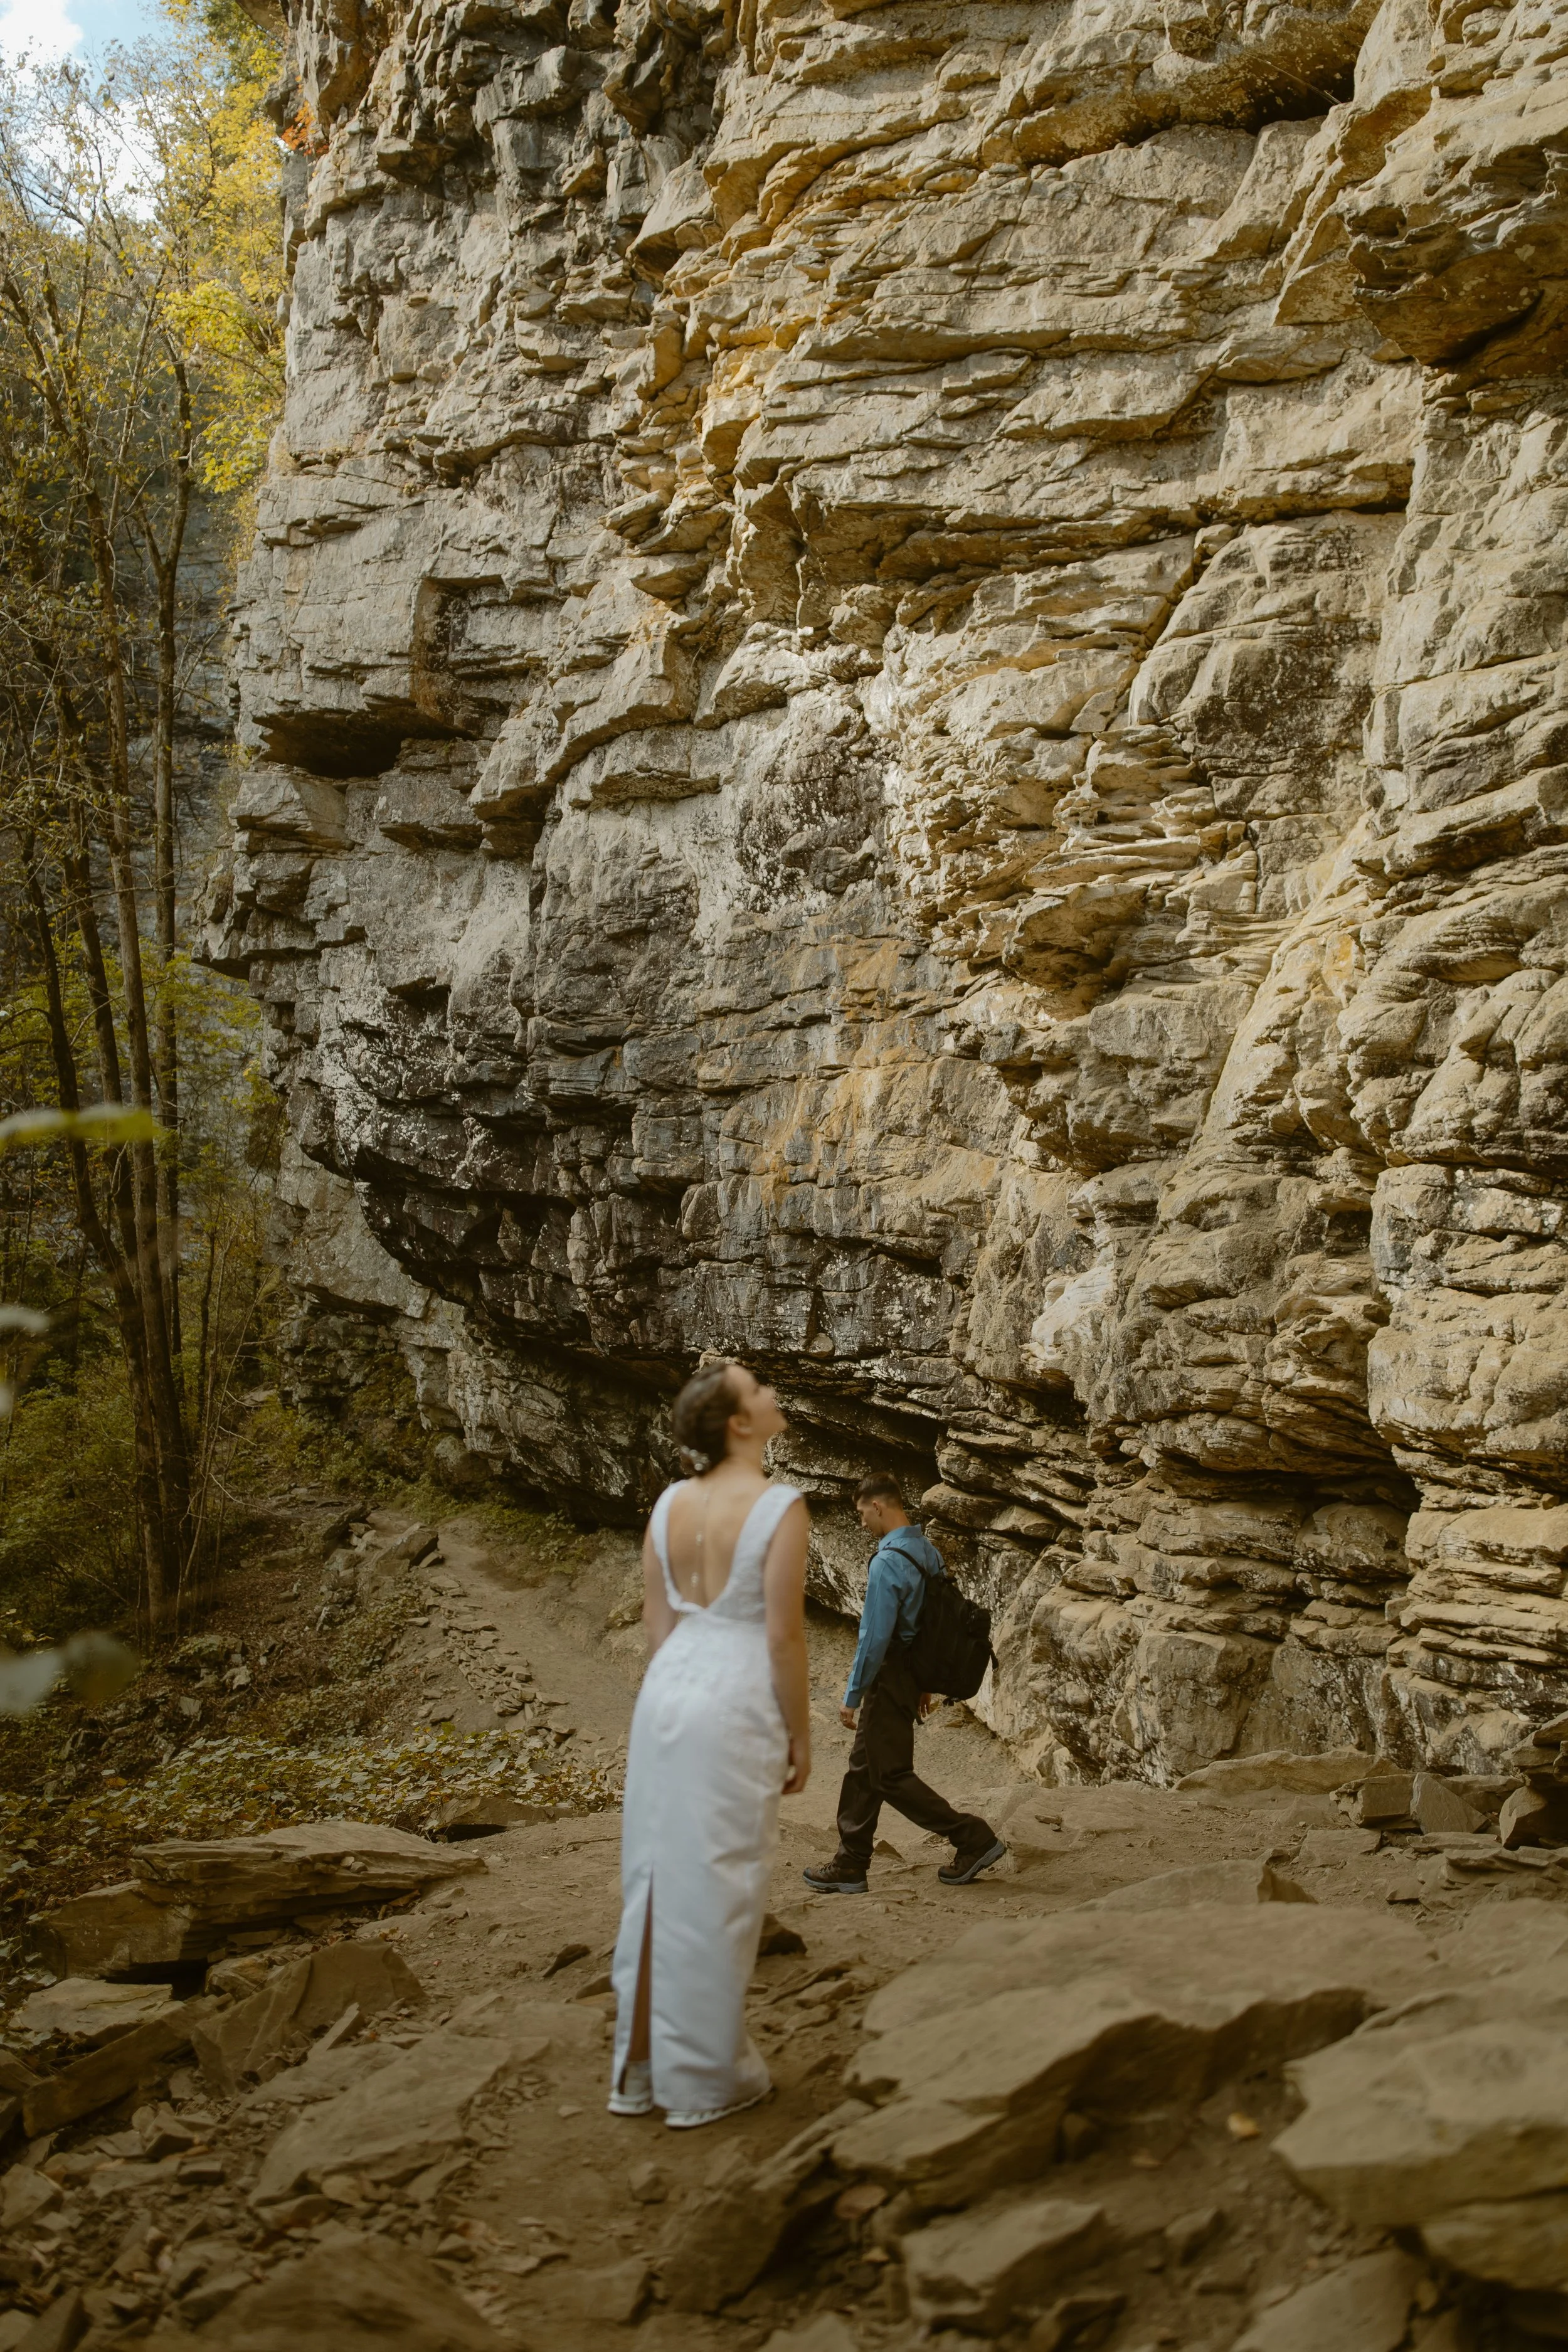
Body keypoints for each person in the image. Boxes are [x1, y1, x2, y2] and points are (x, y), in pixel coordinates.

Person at [608, 1360, 811, 2129]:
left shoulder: (669, 1503)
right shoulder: (777, 1505)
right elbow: (784, 1637)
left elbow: (658, 1624)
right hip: (734, 1691)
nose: (771, 1394)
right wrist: (799, 1734)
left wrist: (674, 1691)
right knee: (719, 1877)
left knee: (654, 1874)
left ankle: (636, 2071)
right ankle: (702, 2080)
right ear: (738, 1423)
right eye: (758, 1389)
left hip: (668, 1689)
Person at [803, 1472, 1004, 1895]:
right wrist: (923, 1682)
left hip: (888, 1678)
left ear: (879, 1506)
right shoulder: (926, 1552)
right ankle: (850, 1863)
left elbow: (875, 1637)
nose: (861, 1523)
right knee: (864, 1768)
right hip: (909, 1676)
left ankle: (973, 1838)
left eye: (862, 1513)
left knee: (889, 1775)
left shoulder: (889, 1561)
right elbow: (934, 1623)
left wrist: (852, 1695)